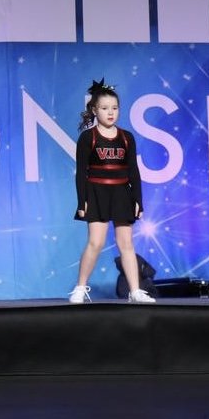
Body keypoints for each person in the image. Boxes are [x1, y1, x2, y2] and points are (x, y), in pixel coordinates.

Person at [67, 79, 154, 304]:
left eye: (114, 108)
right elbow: (81, 173)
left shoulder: (126, 137)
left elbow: (133, 170)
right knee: (95, 242)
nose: (110, 112)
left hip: (122, 194)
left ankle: (135, 291)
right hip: (97, 193)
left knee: (126, 244)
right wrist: (82, 201)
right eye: (105, 108)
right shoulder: (88, 137)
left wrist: (138, 200)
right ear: (94, 110)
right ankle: (80, 288)